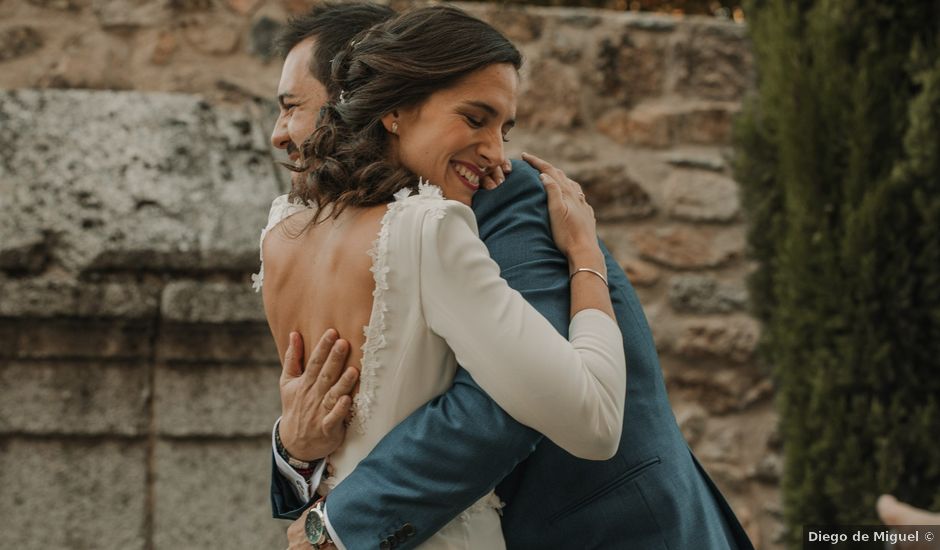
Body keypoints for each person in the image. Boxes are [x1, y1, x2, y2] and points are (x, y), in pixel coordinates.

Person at [265, 3, 754, 549]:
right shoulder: (322, 229)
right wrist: (295, 448)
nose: (281, 133)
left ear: (372, 97)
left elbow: (498, 410)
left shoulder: (501, 196)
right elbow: (332, 401)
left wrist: (336, 526)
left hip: (610, 529)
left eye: (292, 107)